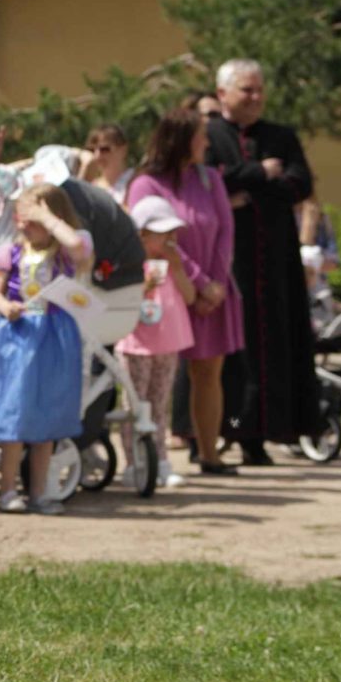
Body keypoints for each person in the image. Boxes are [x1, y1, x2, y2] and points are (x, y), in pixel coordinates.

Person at [206, 60, 320, 466]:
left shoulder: (280, 136)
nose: (256, 97)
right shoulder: (208, 135)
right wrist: (259, 172)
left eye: (259, 90)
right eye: (246, 90)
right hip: (227, 262)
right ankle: (223, 430)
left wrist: (246, 186)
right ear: (222, 94)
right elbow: (209, 181)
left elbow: (300, 183)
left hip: (274, 262)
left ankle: (260, 435)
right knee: (231, 354)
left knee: (273, 350)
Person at [127, 105, 238, 478]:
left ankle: (209, 453)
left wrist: (216, 284)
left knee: (209, 372)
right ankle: (149, 457)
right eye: (200, 136)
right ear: (181, 140)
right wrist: (199, 282)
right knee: (154, 379)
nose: (207, 143)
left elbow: (225, 231)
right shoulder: (145, 184)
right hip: (164, 293)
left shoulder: (211, 179)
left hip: (212, 294)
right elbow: (157, 241)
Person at [0, 183, 93, 513]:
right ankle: (8, 490)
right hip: (18, 337)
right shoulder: (9, 251)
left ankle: (39, 492)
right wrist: (5, 307)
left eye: (33, 218)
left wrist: (48, 218)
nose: (25, 224)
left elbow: (78, 246)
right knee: (16, 410)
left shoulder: (65, 252)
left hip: (54, 337)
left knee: (47, 413)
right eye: (21, 217)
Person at [119, 193, 197, 494]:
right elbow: (124, 298)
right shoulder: (129, 262)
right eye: (162, 233)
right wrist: (146, 283)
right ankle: (133, 463)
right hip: (136, 343)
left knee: (159, 405)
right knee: (134, 405)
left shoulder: (174, 260)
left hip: (168, 342)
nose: (169, 239)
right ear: (142, 233)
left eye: (171, 233)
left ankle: (161, 461)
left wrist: (177, 269)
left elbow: (189, 297)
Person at [81, 122, 134, 203]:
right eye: (92, 150)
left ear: (123, 150)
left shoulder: (137, 181)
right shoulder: (92, 187)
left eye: (104, 149)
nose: (97, 156)